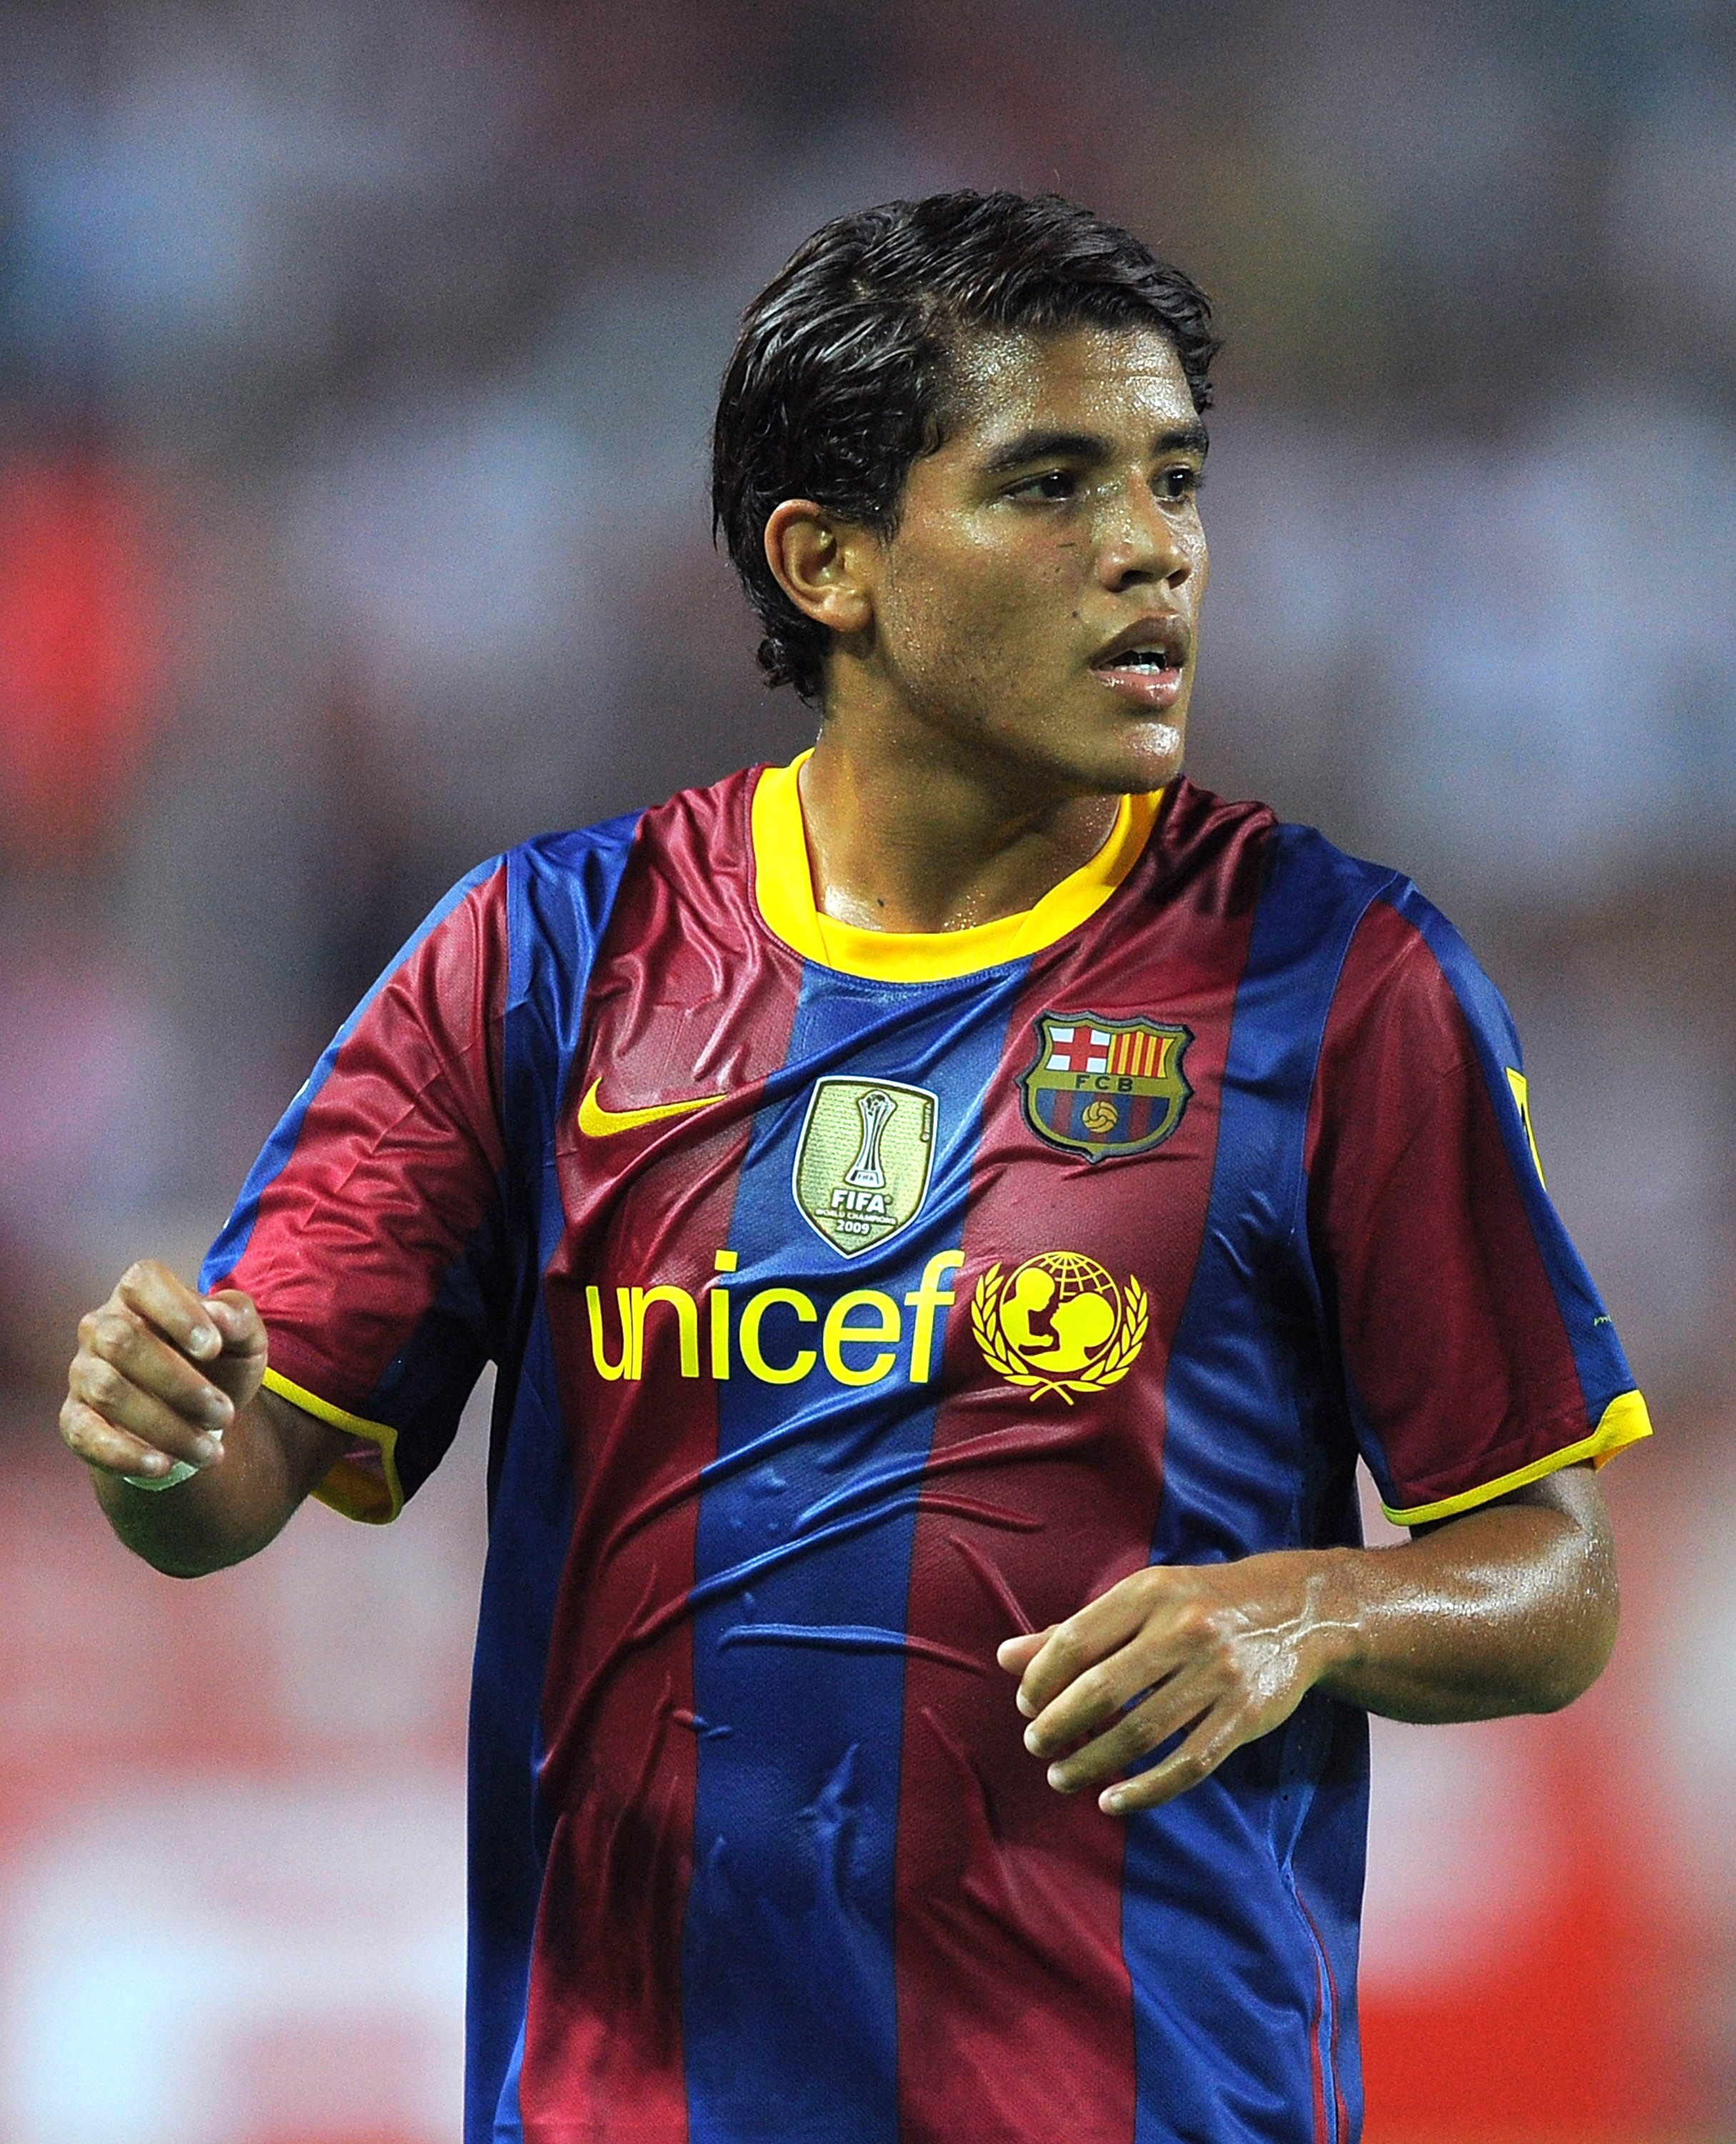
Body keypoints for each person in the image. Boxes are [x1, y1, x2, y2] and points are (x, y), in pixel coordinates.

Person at [61, 191, 1650, 2144]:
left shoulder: (1339, 977)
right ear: (828, 561)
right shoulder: (544, 960)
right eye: (1052, 485)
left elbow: (1555, 1576)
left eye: (1174, 479)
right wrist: (161, 1439)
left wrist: (1304, 1610)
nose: (1152, 551)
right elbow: (235, 1485)